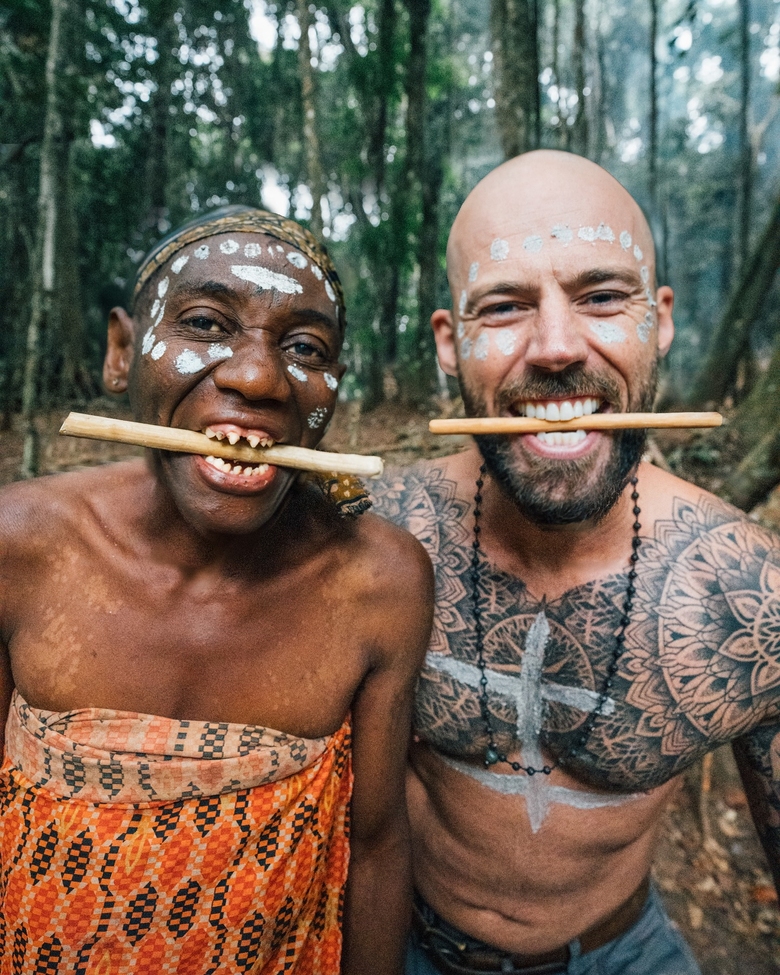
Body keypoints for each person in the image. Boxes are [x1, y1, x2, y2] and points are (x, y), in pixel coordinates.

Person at [371, 150, 780, 975]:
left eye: (600, 296)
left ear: (659, 319)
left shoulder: (750, 593)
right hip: (401, 940)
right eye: (505, 306)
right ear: (450, 342)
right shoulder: (378, 542)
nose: (557, 347)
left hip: (623, 953)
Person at [0, 206, 433, 974]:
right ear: (121, 351)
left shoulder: (378, 584)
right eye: (205, 324)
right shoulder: (21, 546)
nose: (257, 376)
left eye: (305, 347)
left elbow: (375, 845)